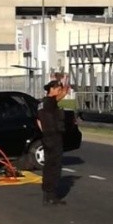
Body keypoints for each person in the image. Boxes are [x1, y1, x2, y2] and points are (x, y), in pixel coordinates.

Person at [37, 78, 69, 206]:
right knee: (54, 166)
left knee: (48, 166)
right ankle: (51, 196)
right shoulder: (50, 102)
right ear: (52, 89)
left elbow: (38, 121)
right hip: (54, 137)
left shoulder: (42, 103)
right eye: (57, 89)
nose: (59, 91)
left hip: (46, 137)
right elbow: (63, 94)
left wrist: (44, 132)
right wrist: (65, 84)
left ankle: (47, 195)